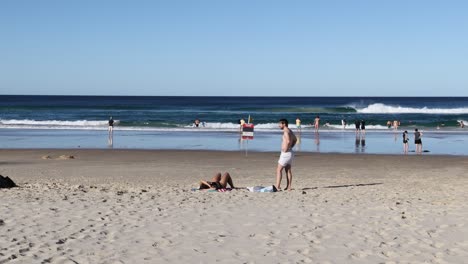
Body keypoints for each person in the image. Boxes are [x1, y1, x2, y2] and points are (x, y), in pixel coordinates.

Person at [275, 119, 297, 191]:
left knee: (279, 170)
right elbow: (295, 139)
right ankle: (289, 187)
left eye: (280, 124)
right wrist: (291, 147)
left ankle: (277, 187)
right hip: (290, 152)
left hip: (286, 153)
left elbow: (287, 141)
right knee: (288, 170)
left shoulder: (286, 131)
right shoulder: (290, 130)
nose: (279, 125)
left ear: (284, 124)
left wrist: (286, 149)